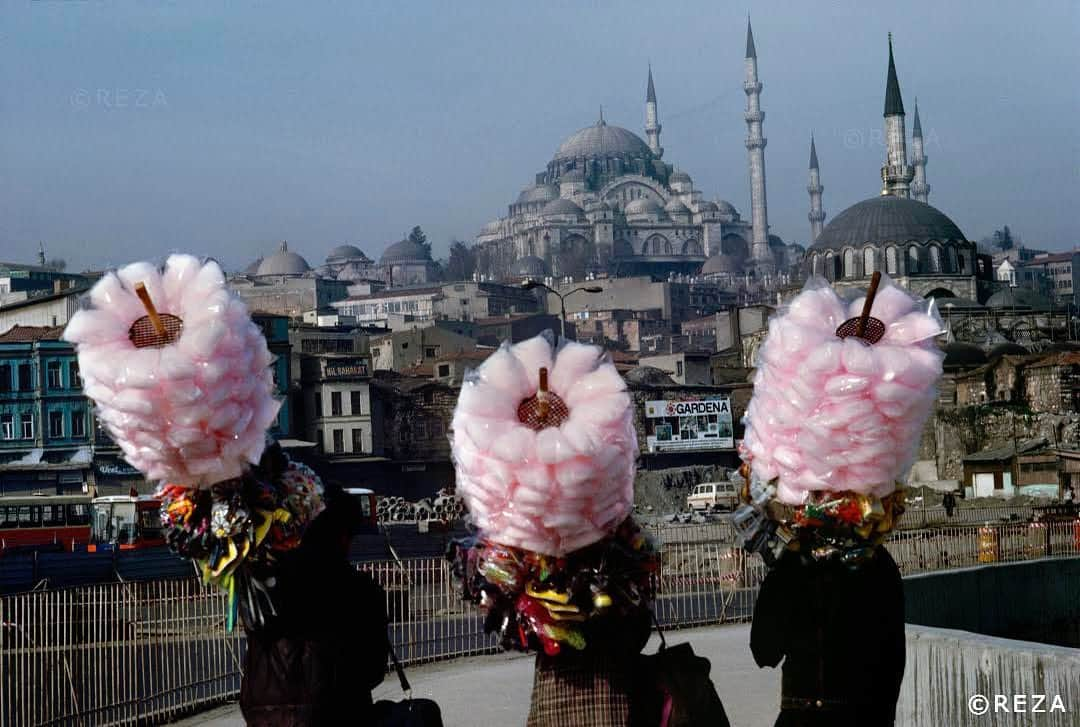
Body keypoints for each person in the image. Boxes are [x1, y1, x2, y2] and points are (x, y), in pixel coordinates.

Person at [239, 485, 390, 726]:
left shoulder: (263, 586)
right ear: (343, 537)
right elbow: (372, 670)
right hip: (339, 716)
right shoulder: (359, 589)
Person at [750, 545, 906, 727]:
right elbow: (895, 655)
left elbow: (765, 651)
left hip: (803, 715)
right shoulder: (878, 559)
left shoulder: (793, 561)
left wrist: (777, 573)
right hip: (866, 714)